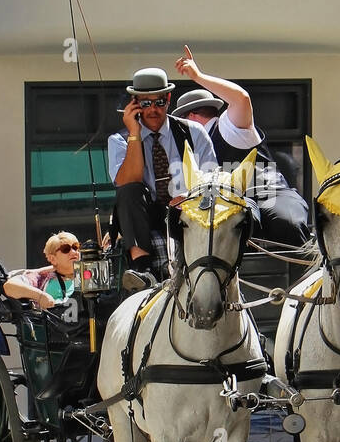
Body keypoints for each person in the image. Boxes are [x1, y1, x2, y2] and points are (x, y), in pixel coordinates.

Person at [172, 46, 311, 246]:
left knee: (285, 223)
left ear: (191, 117)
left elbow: (241, 99)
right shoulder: (195, 152)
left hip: (269, 196)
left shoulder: (227, 127)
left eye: (182, 123)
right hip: (232, 207)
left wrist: (198, 76)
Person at [106, 67, 217, 289]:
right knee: (128, 190)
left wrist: (188, 196)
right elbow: (128, 180)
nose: (153, 110)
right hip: (146, 217)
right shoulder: (119, 140)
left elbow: (212, 181)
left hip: (189, 210)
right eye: (146, 103)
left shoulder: (194, 132)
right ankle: (142, 269)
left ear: (168, 99)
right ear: (135, 103)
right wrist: (135, 135)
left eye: (159, 102)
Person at [3, 231, 82, 309]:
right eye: (66, 249)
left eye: (75, 247)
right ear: (52, 258)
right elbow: (9, 286)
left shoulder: (89, 274)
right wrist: (40, 296)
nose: (74, 252)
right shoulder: (42, 278)